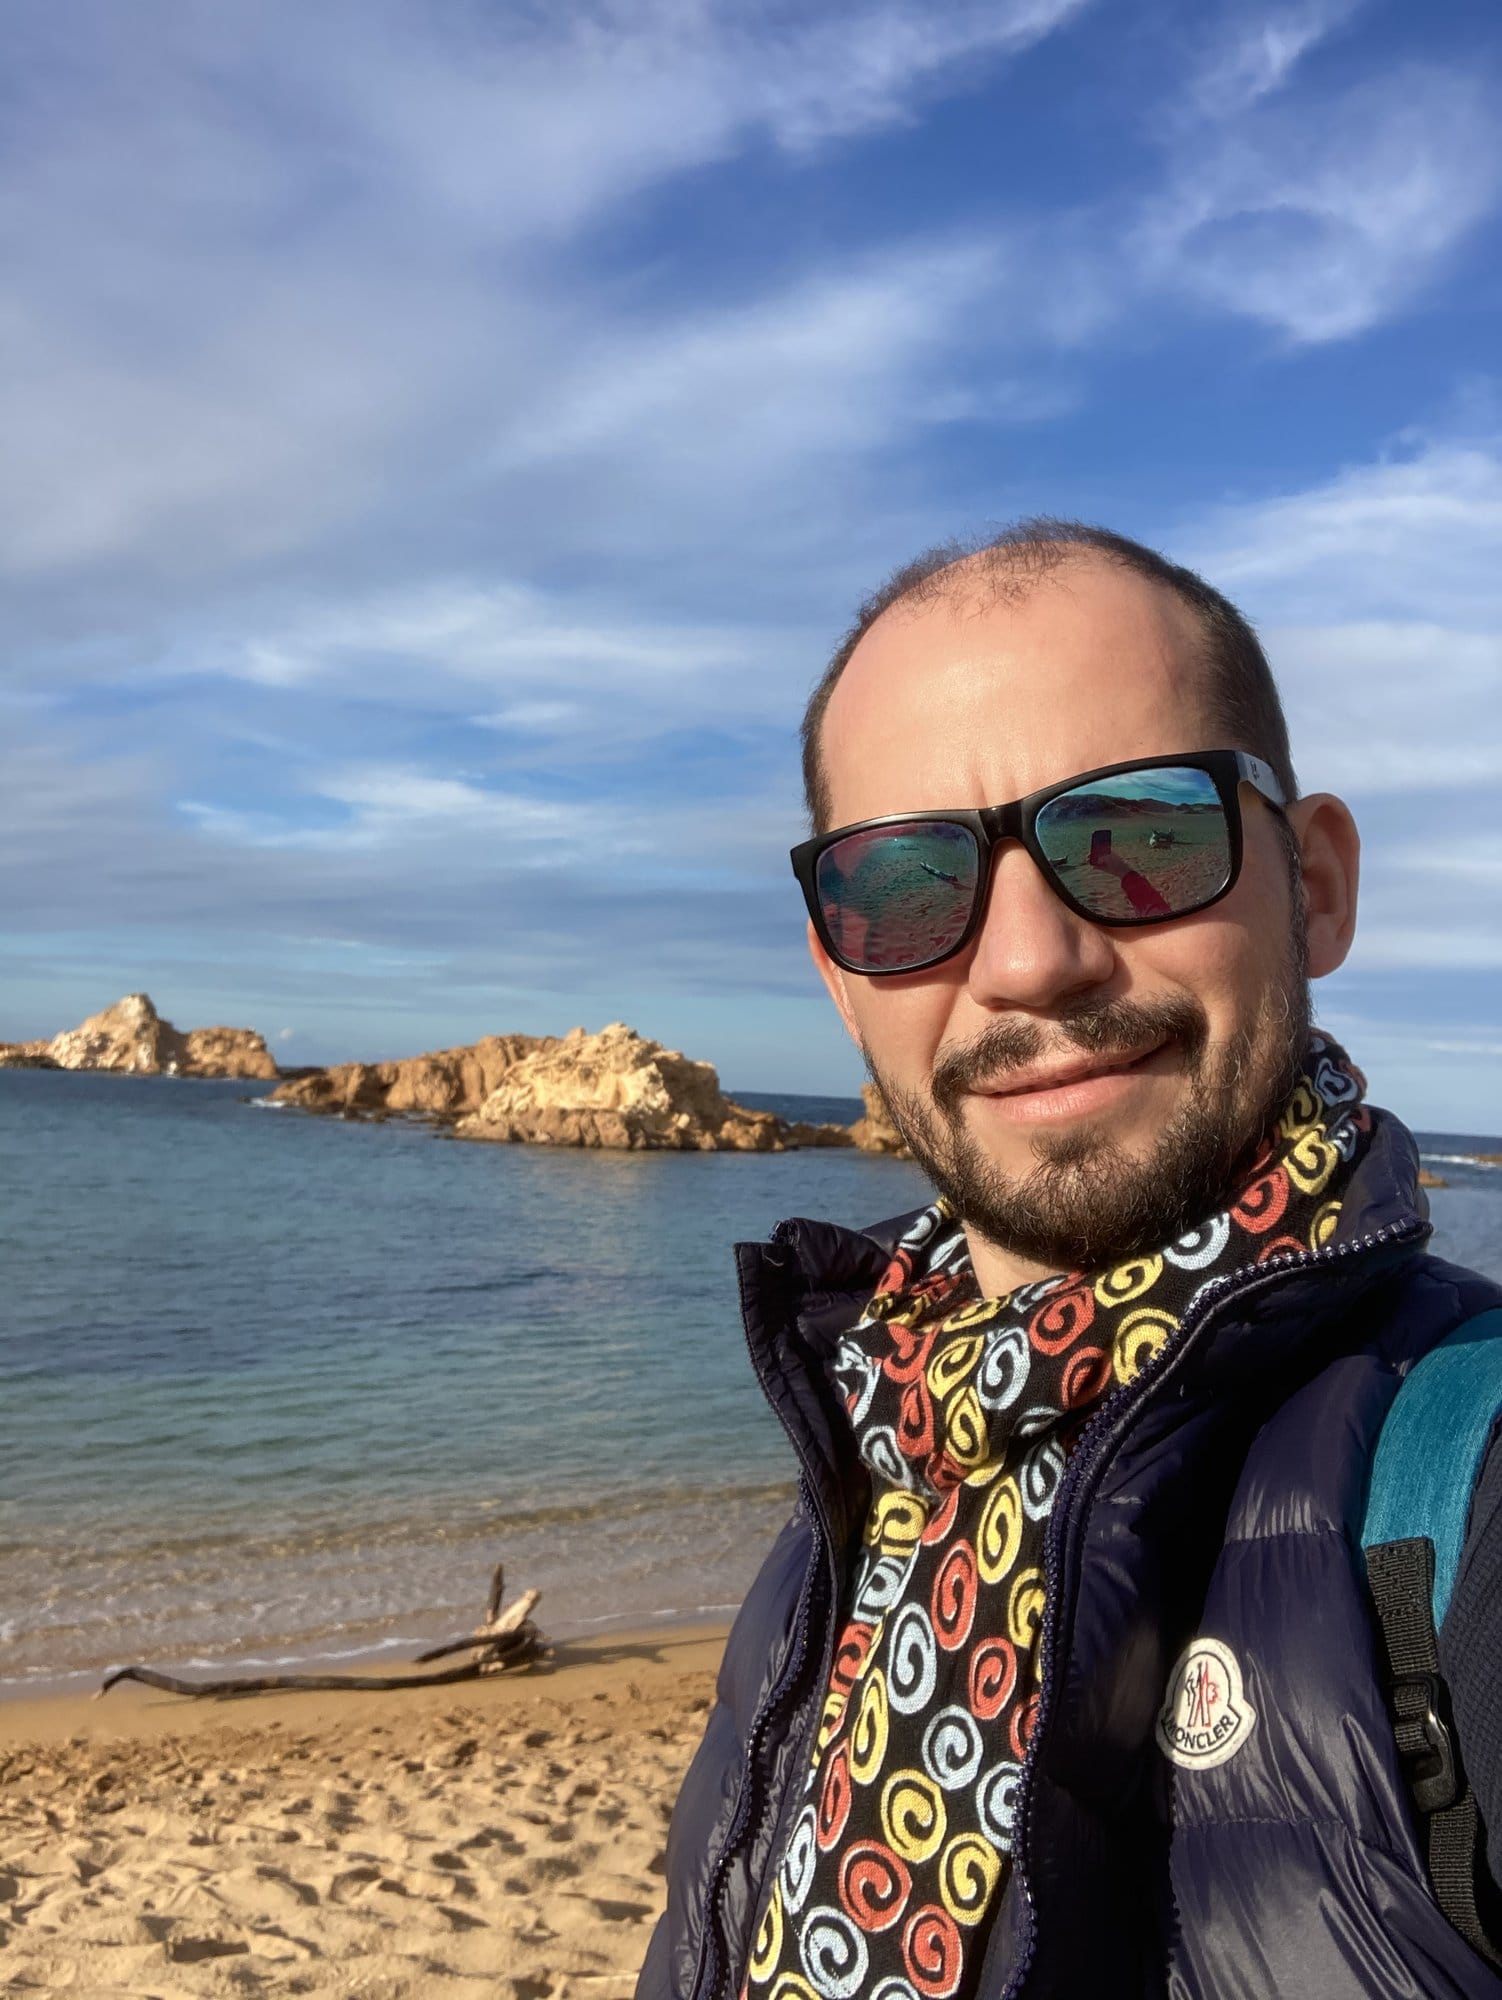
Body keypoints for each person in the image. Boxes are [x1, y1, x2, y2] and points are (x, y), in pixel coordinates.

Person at [636, 521, 1502, 2000]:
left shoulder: (1460, 1486)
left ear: (1316, 885)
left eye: (1144, 839)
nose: (1028, 960)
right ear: (842, 981)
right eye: (905, 889)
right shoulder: (870, 1451)